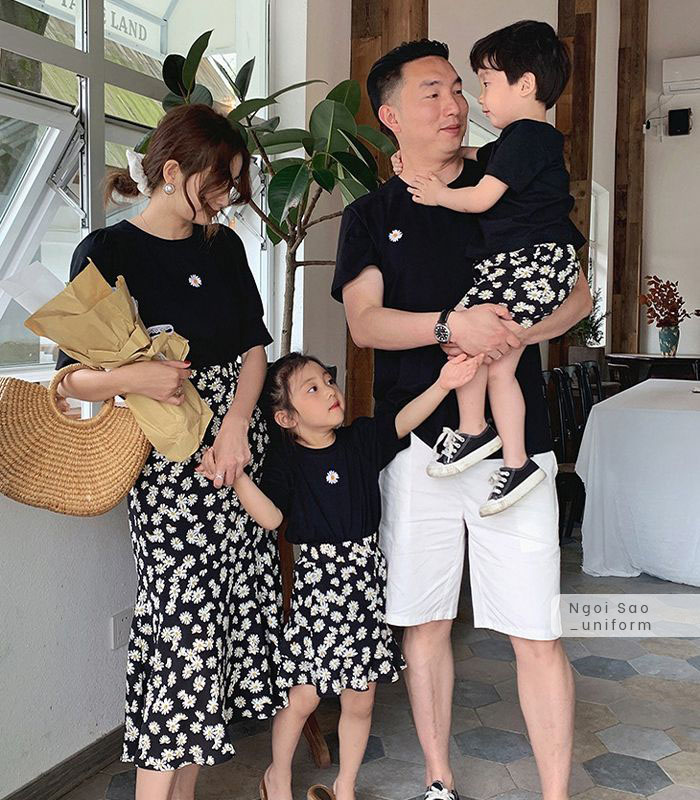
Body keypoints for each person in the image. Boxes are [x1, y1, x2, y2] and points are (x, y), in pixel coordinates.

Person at [332, 38, 592, 800]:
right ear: (390, 116)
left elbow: (577, 296)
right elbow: (365, 324)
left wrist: (515, 333)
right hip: (422, 448)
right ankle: (439, 779)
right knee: (426, 623)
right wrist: (454, 325)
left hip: (516, 450)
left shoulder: (508, 176)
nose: (456, 105)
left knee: (536, 629)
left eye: (458, 89)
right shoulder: (370, 215)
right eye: (434, 93)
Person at [56, 103, 283, 800]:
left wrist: (238, 426)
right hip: (167, 464)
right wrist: (134, 378)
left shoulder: (225, 249)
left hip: (235, 453)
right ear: (174, 171)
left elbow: (253, 347)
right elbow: (72, 375)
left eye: (234, 183)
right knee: (181, 635)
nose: (226, 198)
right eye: (219, 182)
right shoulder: (108, 251)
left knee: (219, 633)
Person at [197, 350, 484, 800]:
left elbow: (404, 420)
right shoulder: (287, 462)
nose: (330, 390)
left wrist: (443, 384)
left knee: (361, 697)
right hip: (318, 589)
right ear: (287, 418)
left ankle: (344, 785)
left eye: (328, 380)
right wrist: (236, 479)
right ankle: (277, 776)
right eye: (312, 388)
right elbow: (271, 518)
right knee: (304, 696)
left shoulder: (360, 440)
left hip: (364, 585)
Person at [392, 21, 585, 517]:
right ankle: (511, 456)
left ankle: (478, 431)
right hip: (535, 263)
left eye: (484, 84)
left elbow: (481, 197)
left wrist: (437, 193)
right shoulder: (526, 141)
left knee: (469, 339)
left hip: (531, 263)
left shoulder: (527, 135)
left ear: (525, 84)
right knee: (496, 362)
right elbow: (478, 155)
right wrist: (425, 163)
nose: (477, 100)